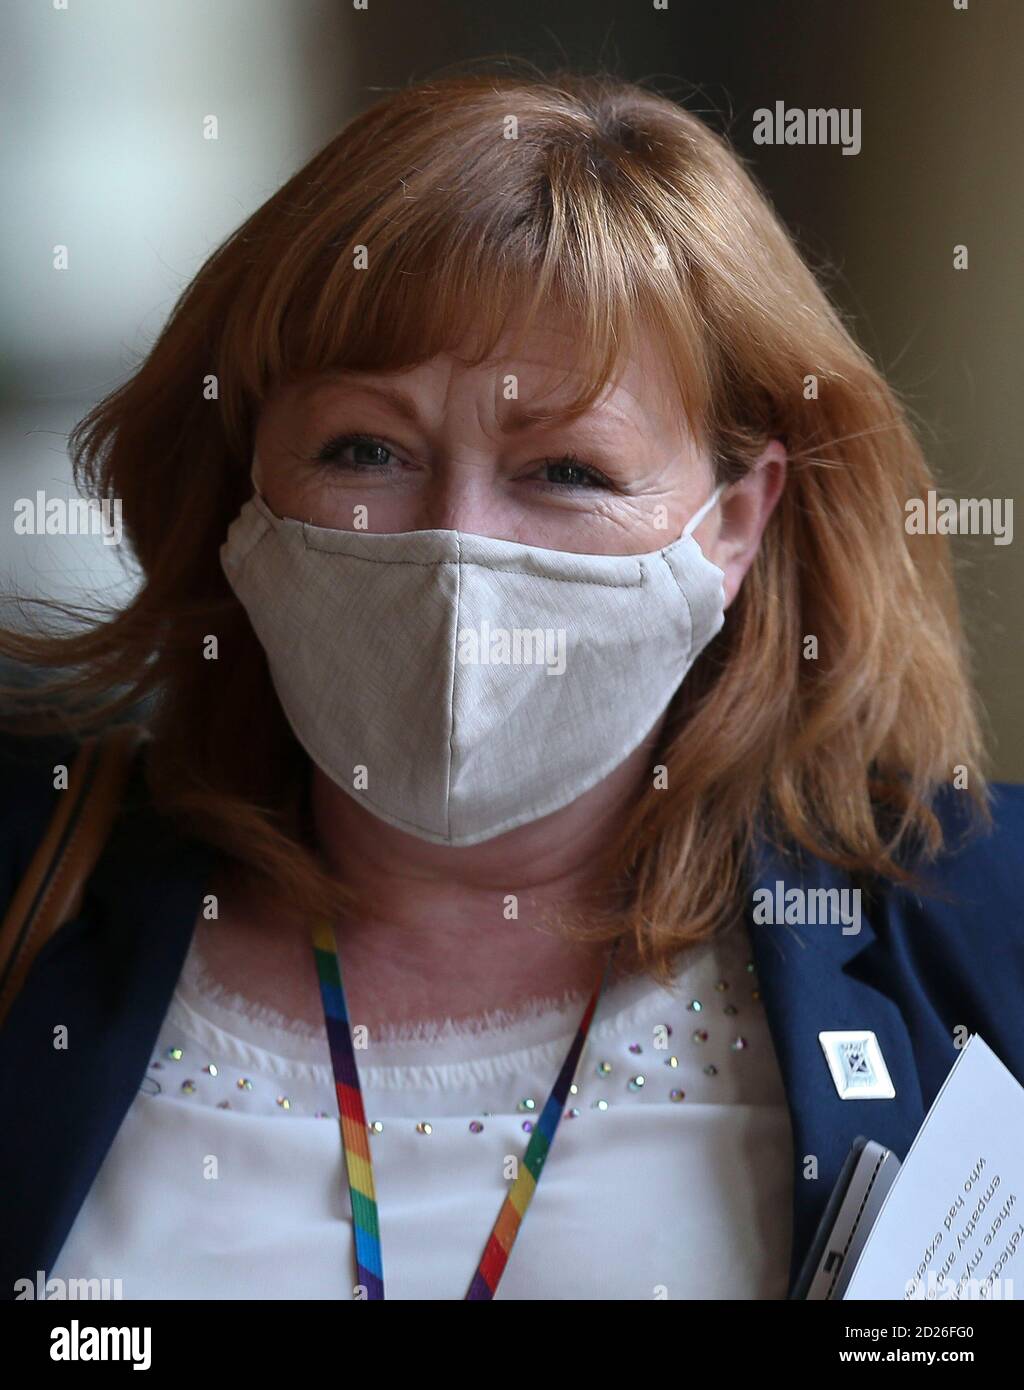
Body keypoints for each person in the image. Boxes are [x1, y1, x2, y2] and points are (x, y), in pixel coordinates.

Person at [0, 68, 1021, 1302]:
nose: (457, 549)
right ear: (241, 492)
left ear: (736, 521)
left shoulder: (984, 932)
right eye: (363, 449)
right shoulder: (29, 885)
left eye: (568, 471)